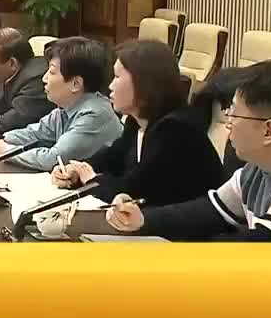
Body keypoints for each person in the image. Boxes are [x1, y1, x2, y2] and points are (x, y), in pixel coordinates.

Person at [107, 61, 271, 241]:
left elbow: (246, 253)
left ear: (268, 131)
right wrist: (143, 219)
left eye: (234, 114)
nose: (227, 123)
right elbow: (211, 210)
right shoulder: (265, 164)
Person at [51, 39, 224, 206]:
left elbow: (133, 190)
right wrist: (76, 170)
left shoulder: (176, 130)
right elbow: (112, 158)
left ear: (144, 84)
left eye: (117, 77)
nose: (111, 86)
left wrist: (91, 179)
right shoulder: (137, 122)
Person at [0, 37, 123, 171]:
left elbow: (53, 159)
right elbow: (35, 133)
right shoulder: (65, 108)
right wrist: (1, 139)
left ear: (76, 84)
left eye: (52, 72)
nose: (44, 78)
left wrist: (4, 150)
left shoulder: (95, 114)